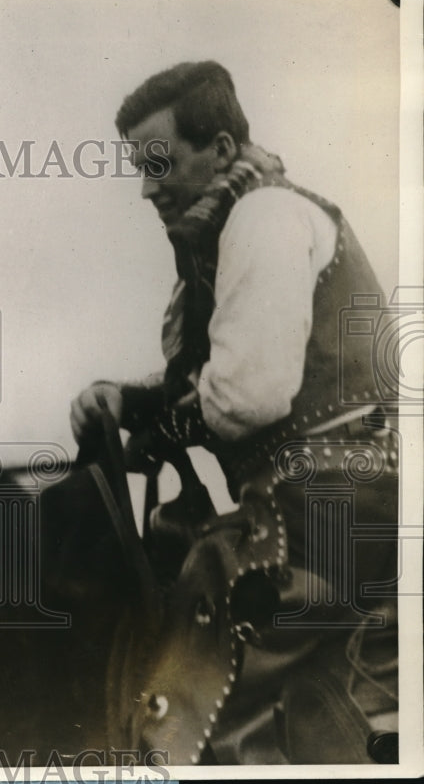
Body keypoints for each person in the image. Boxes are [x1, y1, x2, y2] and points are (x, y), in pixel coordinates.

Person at [71, 61, 399, 764]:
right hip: (305, 505)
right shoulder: (222, 237)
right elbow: (221, 376)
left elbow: (249, 394)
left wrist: (158, 431)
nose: (146, 186)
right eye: (139, 166)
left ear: (221, 148)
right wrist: (128, 403)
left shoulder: (265, 216)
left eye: (160, 161)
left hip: (329, 512)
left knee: (191, 706)